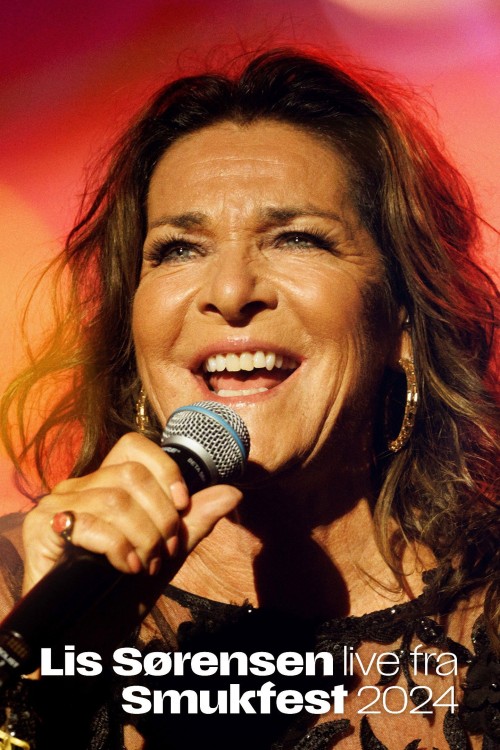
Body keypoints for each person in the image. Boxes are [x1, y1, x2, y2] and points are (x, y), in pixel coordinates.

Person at [0, 48, 498, 750]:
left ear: (403, 320)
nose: (231, 292)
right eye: (179, 249)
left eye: (297, 238)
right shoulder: (19, 592)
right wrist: (51, 686)